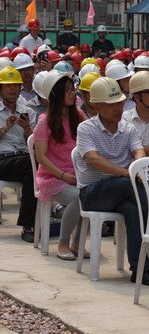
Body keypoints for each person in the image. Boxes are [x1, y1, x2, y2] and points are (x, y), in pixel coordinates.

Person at [74, 77, 149, 286]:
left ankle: (140, 270)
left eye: (120, 103)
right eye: (111, 105)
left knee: (134, 209)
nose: (118, 108)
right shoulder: (86, 128)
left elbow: (138, 149)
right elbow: (93, 159)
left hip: (124, 190)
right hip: (94, 193)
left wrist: (137, 165)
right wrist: (128, 173)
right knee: (132, 187)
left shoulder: (127, 128)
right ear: (96, 105)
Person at [33, 71, 86, 260]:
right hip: (53, 178)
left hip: (78, 175)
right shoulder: (44, 121)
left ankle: (78, 243)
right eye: (68, 90)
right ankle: (63, 243)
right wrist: (63, 175)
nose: (73, 94)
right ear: (55, 94)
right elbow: (41, 157)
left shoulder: (79, 116)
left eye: (73, 89)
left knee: (92, 193)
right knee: (79, 197)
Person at [0, 66, 37, 242]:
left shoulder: (28, 110)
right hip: (3, 159)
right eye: (8, 85)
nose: (12, 89)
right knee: (32, 166)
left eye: (15, 85)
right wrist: (5, 128)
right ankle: (29, 224)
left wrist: (27, 128)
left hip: (24, 157)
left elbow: (36, 143)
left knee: (34, 167)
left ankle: (32, 222)